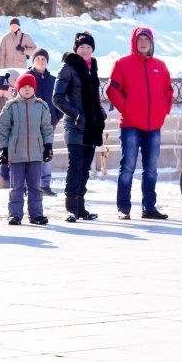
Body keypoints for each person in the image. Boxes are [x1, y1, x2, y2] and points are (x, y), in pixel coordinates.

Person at [106, 27, 173, 220]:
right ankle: (123, 208)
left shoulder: (160, 65)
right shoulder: (122, 63)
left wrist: (164, 110)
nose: (143, 42)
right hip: (130, 125)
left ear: (151, 43)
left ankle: (149, 207)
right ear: (134, 43)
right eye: (139, 39)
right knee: (127, 166)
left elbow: (168, 91)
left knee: (151, 168)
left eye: (146, 39)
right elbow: (112, 90)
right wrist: (126, 108)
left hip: (154, 126)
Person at [53, 32, 106, 223]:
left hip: (91, 126)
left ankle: (81, 208)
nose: (85, 50)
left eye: (88, 47)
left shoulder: (92, 69)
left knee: (85, 168)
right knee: (75, 166)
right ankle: (71, 209)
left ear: (92, 50)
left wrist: (100, 111)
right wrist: (76, 115)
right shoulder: (68, 67)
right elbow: (57, 98)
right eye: (81, 47)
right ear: (76, 49)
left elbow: (93, 97)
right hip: (75, 126)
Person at [0, 73, 53, 225]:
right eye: (23, 86)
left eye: (30, 86)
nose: (27, 89)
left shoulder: (42, 106)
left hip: (36, 153)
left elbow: (46, 128)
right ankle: (15, 214)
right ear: (18, 88)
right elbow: (3, 128)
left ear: (34, 88)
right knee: (17, 186)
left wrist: (47, 146)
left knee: (35, 186)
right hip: (16, 154)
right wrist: (5, 149)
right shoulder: (11, 106)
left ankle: (36, 215)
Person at [27, 49, 62, 197]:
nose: (40, 61)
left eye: (43, 59)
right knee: (29, 155)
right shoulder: (27, 77)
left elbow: (59, 100)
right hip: (30, 124)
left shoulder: (53, 80)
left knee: (46, 155)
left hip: (48, 124)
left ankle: (45, 185)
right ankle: (29, 185)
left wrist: (56, 116)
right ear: (33, 60)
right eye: (38, 58)